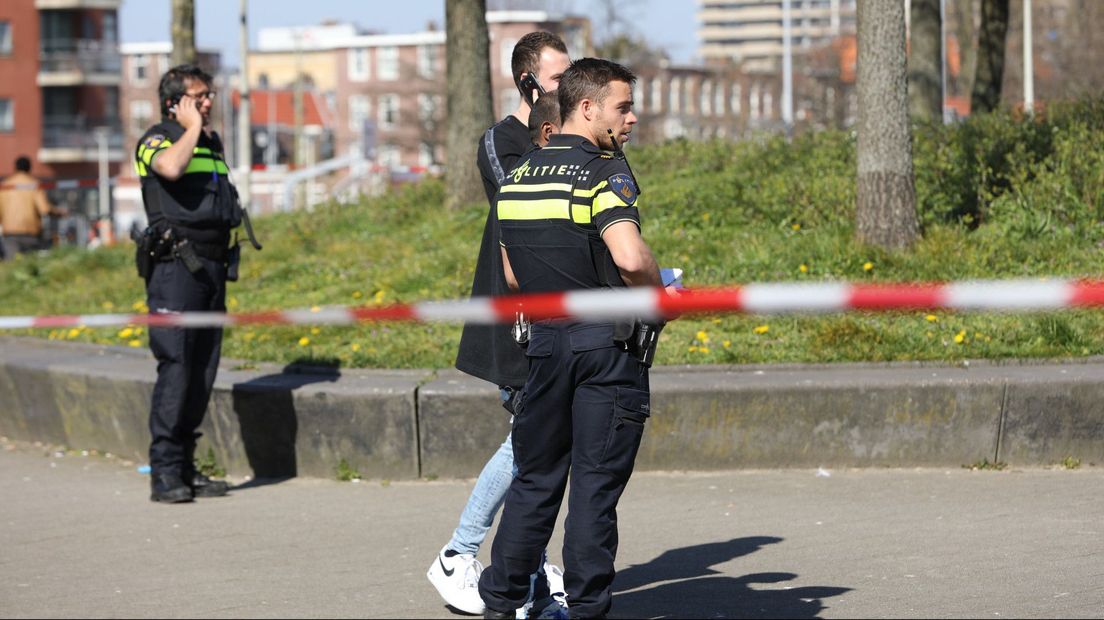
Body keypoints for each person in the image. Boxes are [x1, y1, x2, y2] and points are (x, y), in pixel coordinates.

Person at [479, 58, 665, 619]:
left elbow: (513, 277)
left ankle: (502, 603)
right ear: (587, 108)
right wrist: (659, 295)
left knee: (535, 482)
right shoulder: (602, 172)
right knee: (592, 488)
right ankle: (586, 609)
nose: (632, 118)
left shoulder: (515, 179)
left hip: (542, 350)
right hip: (603, 350)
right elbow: (629, 256)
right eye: (623, 107)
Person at [428, 32, 570, 618]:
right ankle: (459, 555)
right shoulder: (501, 142)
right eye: (561, 77)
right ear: (529, 82)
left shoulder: (578, 142)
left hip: (559, 318)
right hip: (519, 321)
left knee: (541, 444)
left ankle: (526, 565)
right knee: (527, 443)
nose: (572, 85)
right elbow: (531, 201)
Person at [134, 64, 258, 503]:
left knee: (203, 369)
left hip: (211, 267)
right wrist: (189, 127)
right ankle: (164, 473)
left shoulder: (210, 141)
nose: (209, 102)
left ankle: (186, 467)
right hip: (174, 271)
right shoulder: (157, 139)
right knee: (177, 367)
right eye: (199, 96)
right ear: (176, 102)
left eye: (209, 95)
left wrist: (198, 131)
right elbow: (169, 168)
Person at [0, 156, 66, 259]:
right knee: (30, 267)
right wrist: (59, 212)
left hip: (10, 233)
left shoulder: (5, 186)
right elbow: (45, 209)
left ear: (15, 168)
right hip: (30, 234)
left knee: (11, 266)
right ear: (29, 168)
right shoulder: (34, 185)